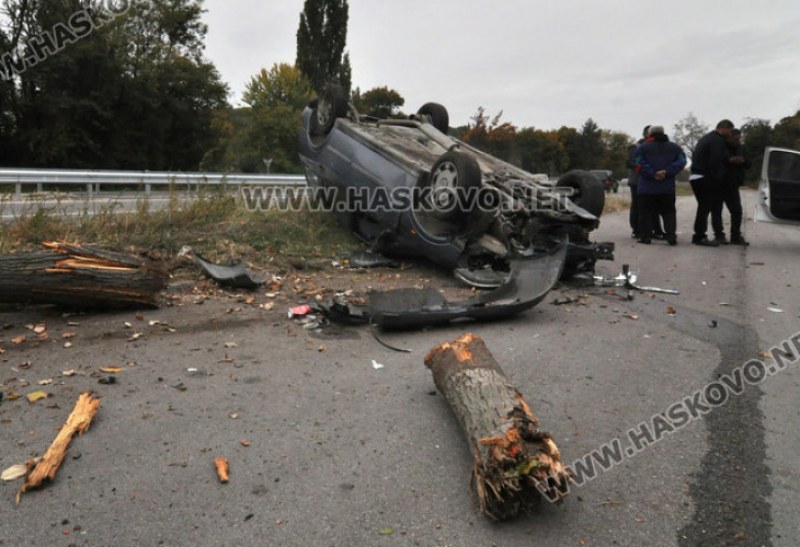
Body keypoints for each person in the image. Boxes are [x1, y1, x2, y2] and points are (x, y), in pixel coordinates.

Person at [634, 125, 686, 245]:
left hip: (647, 188)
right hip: (667, 188)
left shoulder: (642, 148)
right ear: (663, 132)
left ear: (650, 134)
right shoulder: (675, 147)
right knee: (669, 213)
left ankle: (645, 237)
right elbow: (682, 162)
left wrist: (653, 173)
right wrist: (667, 172)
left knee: (645, 213)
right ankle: (671, 236)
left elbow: (638, 164)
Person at [689, 119, 735, 246]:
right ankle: (699, 236)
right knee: (705, 207)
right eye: (730, 131)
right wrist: (719, 179)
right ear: (724, 128)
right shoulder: (717, 141)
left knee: (705, 207)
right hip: (704, 177)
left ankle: (700, 235)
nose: (730, 134)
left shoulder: (707, 138)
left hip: (696, 176)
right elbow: (715, 161)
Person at [711, 128, 750, 245]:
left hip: (733, 185)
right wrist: (729, 160)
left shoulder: (741, 148)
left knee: (737, 211)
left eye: (739, 139)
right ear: (728, 137)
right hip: (718, 183)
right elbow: (714, 161)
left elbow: (749, 163)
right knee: (716, 211)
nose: (737, 141)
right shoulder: (720, 147)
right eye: (735, 139)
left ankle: (735, 236)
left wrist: (742, 161)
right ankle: (719, 235)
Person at [626, 125, 665, 239]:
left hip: (650, 180)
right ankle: (636, 229)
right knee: (637, 206)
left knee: (653, 207)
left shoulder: (655, 147)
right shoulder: (636, 146)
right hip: (637, 181)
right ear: (645, 133)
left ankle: (655, 230)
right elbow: (630, 163)